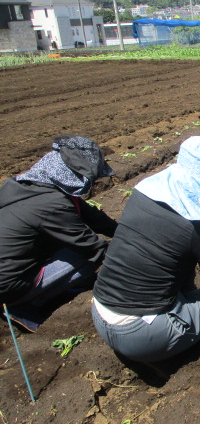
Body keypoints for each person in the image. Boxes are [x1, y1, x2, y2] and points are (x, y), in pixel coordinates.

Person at [92, 137, 200, 363]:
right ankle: (174, 342)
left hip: (100, 310)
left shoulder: (146, 191)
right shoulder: (197, 225)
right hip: (139, 335)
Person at [0, 136, 118, 332]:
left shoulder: (34, 187)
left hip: (13, 267)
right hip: (8, 285)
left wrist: (127, 232)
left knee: (68, 246)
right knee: (83, 258)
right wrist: (137, 254)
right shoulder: (51, 204)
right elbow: (93, 249)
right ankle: (28, 304)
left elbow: (94, 217)